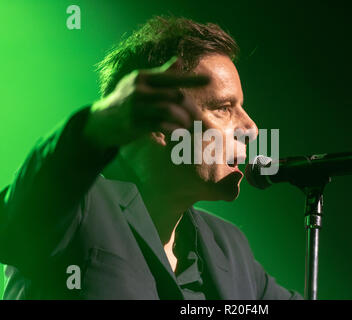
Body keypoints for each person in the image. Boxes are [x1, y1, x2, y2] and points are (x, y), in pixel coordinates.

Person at [0, 16, 302, 300]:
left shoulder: (230, 247)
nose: (251, 128)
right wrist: (99, 123)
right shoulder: (80, 208)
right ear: (159, 123)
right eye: (224, 107)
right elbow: (13, 225)